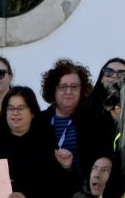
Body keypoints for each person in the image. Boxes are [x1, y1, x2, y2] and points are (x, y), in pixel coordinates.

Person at [38, 59, 113, 187]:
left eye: (74, 86)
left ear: (81, 89)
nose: (68, 92)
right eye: (62, 87)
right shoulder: (40, 122)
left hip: (90, 195)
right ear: (53, 89)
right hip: (54, 196)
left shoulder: (94, 118)